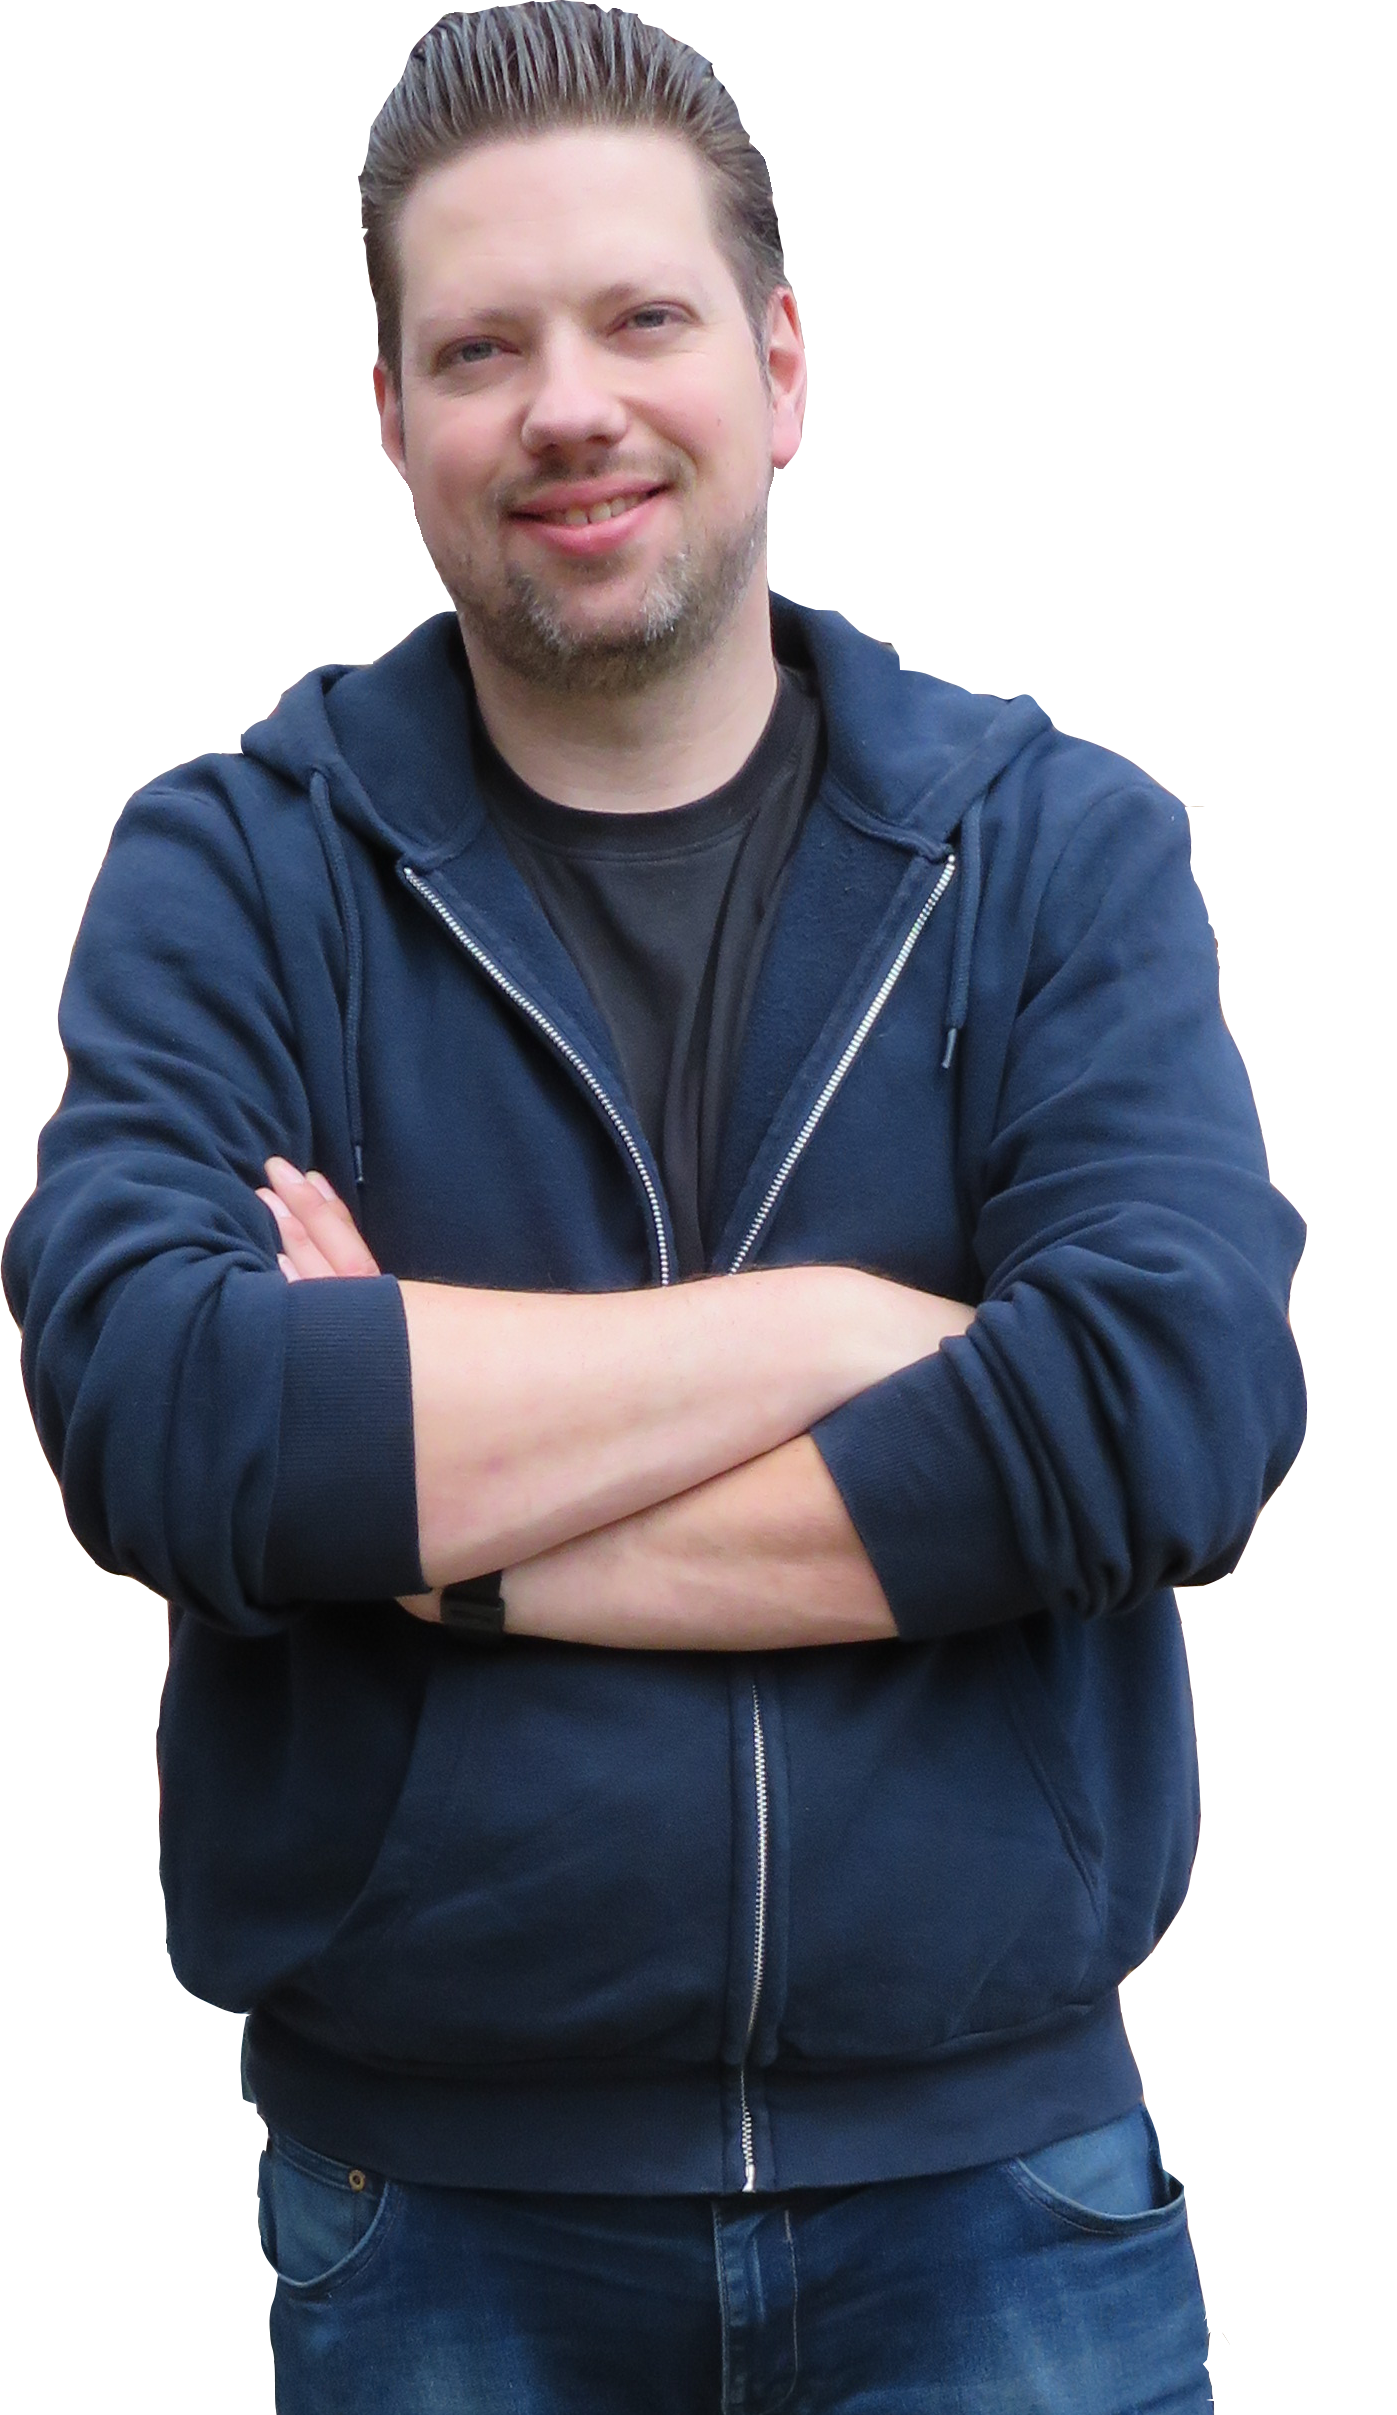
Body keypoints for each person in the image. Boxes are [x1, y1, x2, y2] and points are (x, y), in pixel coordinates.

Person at [3, 5, 1306, 2408]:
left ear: (779, 367)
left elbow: (1163, 1412)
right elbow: (169, 1417)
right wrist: (840, 1328)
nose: (567, 407)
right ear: (390, 416)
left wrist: (443, 1533)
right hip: (436, 2228)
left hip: (1001, 2197)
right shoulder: (234, 865)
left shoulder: (1051, 847)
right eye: (478, 348)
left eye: (638, 319)